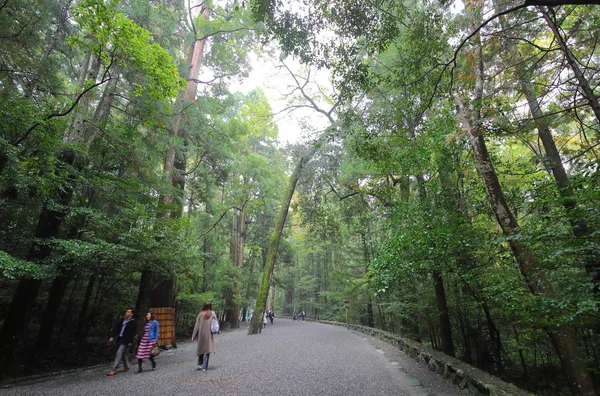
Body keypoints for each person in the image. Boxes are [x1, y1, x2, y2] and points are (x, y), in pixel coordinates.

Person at [107, 308, 136, 376]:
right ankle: (126, 366)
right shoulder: (122, 320)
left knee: (119, 352)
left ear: (132, 314)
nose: (126, 313)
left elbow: (132, 333)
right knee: (124, 353)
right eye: (126, 312)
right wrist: (112, 336)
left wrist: (130, 341)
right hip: (120, 338)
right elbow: (116, 328)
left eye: (128, 312)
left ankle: (114, 369)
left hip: (126, 340)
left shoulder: (133, 322)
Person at [192, 302, 216, 372]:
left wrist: (193, 335)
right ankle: (204, 367)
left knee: (201, 348)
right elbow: (215, 323)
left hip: (201, 334)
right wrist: (217, 331)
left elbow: (196, 325)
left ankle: (200, 364)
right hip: (208, 334)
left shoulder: (200, 314)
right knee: (207, 349)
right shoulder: (212, 313)